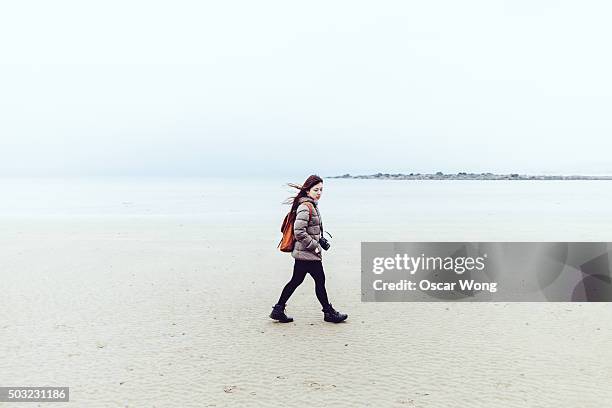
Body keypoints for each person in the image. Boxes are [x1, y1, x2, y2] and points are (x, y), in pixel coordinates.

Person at [270, 175, 348, 324]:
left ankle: (278, 309)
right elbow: (299, 232)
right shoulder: (306, 207)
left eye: (321, 190)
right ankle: (328, 313)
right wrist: (315, 246)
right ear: (307, 190)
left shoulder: (311, 205)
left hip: (304, 253)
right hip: (308, 253)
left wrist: (320, 239)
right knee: (319, 281)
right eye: (316, 190)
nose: (319, 193)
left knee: (296, 281)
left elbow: (310, 229)